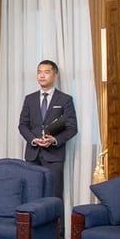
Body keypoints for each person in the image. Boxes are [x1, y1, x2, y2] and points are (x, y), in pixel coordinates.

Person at [18, 59, 78, 200]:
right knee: (31, 194)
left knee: (54, 195)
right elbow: (22, 125)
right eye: (39, 72)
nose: (42, 76)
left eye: (46, 72)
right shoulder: (29, 99)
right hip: (32, 155)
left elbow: (72, 128)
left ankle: (57, 223)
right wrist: (33, 139)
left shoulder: (65, 99)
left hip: (54, 156)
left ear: (55, 75)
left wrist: (55, 140)